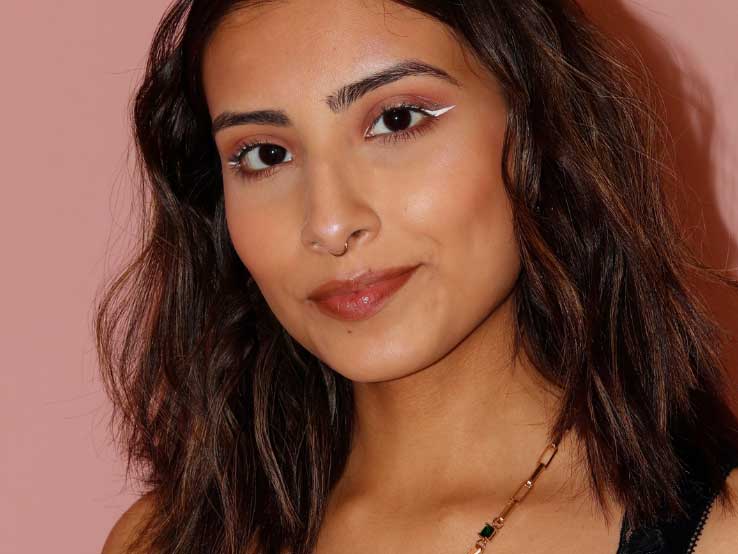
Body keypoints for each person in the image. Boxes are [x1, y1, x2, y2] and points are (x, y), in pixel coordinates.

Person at [97, 1, 738, 553]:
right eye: (265, 155)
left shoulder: (719, 530)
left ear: (539, 133)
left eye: (397, 120)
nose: (329, 222)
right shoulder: (164, 539)